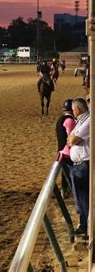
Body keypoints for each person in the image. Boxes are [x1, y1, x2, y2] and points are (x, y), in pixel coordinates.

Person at [67, 98, 90, 237]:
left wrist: (72, 139)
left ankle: (86, 225)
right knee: (80, 197)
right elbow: (69, 139)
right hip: (78, 165)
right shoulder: (81, 120)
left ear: (77, 109)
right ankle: (83, 224)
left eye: (73, 109)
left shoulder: (88, 120)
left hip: (83, 164)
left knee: (83, 197)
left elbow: (72, 140)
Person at [55, 99, 76, 198]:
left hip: (61, 150)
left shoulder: (60, 119)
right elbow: (71, 137)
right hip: (68, 152)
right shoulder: (69, 120)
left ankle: (65, 192)